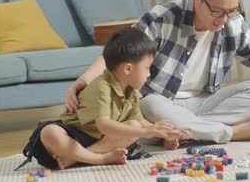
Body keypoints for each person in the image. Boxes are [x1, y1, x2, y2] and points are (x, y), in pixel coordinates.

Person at [65, 0, 250, 148]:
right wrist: (85, 79)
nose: (223, 19)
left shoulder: (234, 23)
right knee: (152, 104)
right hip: (162, 102)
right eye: (217, 10)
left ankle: (187, 132)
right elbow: (119, 51)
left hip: (205, 102)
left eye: (231, 11)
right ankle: (229, 133)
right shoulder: (162, 17)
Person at [21, 27, 189, 170]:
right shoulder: (102, 85)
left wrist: (162, 132)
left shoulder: (132, 92)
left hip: (100, 143)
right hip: (75, 135)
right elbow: (104, 125)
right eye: (147, 68)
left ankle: (78, 158)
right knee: (50, 132)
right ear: (128, 69)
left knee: (134, 125)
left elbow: (139, 121)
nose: (149, 74)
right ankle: (99, 159)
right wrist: (147, 132)